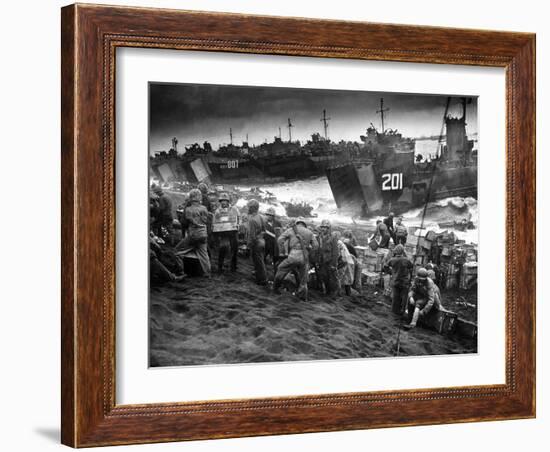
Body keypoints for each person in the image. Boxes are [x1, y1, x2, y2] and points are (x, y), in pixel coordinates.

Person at [274, 217, 318, 300]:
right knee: (303, 279)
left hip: (293, 254)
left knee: (281, 269)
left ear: (297, 223)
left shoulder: (291, 230)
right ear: (305, 224)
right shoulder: (310, 232)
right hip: (304, 256)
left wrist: (283, 251)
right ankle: (302, 296)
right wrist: (309, 254)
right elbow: (316, 246)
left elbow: (280, 240)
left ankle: (276, 288)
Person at [175, 188, 211, 276]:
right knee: (203, 254)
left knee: (176, 252)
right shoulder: (204, 208)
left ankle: (181, 272)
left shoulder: (188, 209)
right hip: (203, 234)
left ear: (190, 198)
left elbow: (184, 223)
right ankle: (207, 273)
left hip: (193, 235)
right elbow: (207, 220)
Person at [212, 192, 240, 273]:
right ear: (220, 202)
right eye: (222, 201)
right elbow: (215, 222)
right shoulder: (217, 211)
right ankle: (220, 267)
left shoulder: (234, 209)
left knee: (234, 249)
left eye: (225, 201)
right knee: (222, 248)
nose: (223, 202)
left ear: (228, 201)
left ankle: (233, 267)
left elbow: (239, 218)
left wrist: (238, 225)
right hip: (223, 233)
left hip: (233, 232)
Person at [385, 244, 413, 315]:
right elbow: (411, 266)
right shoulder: (406, 260)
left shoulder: (392, 260)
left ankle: (394, 311)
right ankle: (402, 311)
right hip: (404, 282)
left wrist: (391, 272)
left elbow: (385, 266)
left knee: (395, 297)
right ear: (402, 252)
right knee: (404, 298)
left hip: (395, 281)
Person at [247, 199, 267, 285]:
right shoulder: (261, 217)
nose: (248, 209)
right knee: (261, 261)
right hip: (262, 241)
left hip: (256, 243)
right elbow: (264, 230)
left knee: (258, 262)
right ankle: (261, 277)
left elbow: (252, 235)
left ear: (252, 208)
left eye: (249, 207)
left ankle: (262, 280)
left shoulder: (252, 220)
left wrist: (249, 245)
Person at [317, 219, 339, 295]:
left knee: (333, 278)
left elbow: (335, 252)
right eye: (322, 227)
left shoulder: (333, 237)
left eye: (325, 227)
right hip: (322, 261)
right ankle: (327, 291)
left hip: (330, 261)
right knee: (324, 277)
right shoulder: (319, 236)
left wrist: (334, 264)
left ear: (328, 228)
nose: (323, 229)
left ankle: (334, 293)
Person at [333, 231, 355, 296]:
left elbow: (338, 255)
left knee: (339, 278)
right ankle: (348, 294)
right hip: (348, 261)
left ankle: (338, 294)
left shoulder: (338, 243)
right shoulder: (340, 242)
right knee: (347, 279)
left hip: (345, 261)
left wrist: (336, 264)